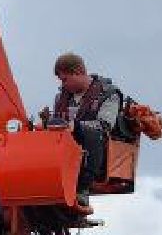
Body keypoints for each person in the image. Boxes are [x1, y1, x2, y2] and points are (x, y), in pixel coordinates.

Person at [43, 52, 123, 204]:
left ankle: (82, 188)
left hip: (95, 150)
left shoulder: (108, 94)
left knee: (93, 133)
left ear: (79, 71)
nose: (63, 85)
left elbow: (105, 125)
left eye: (65, 79)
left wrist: (76, 126)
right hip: (65, 147)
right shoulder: (61, 97)